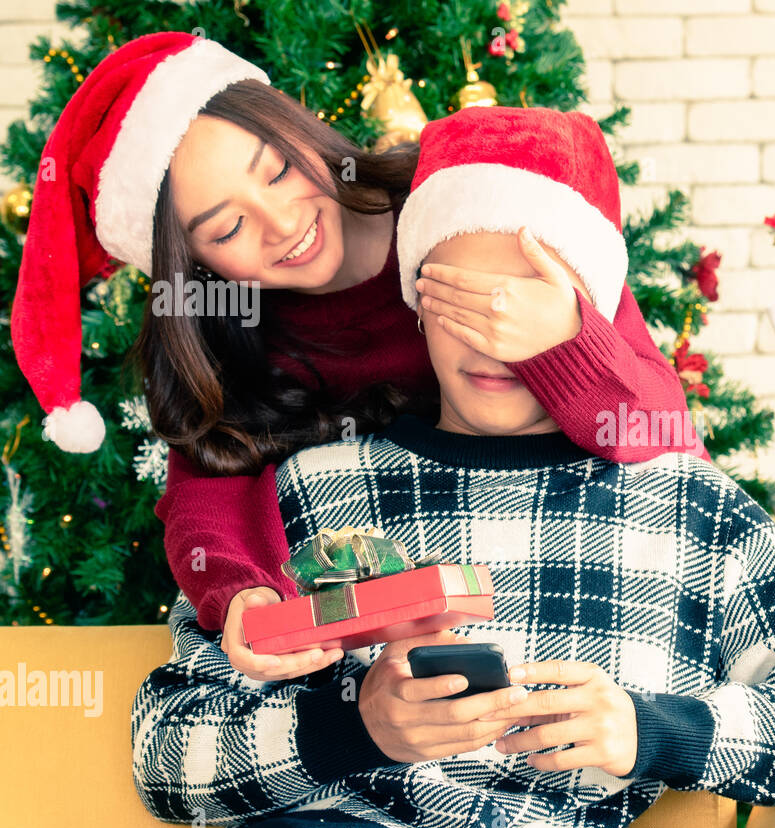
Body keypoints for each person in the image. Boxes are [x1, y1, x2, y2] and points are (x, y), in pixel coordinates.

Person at [130, 107, 775, 828]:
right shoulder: (312, 489)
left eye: (534, 309)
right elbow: (165, 752)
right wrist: (352, 724)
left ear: (594, 317)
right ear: (414, 301)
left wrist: (649, 731)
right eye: (459, 300)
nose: (494, 338)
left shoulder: (685, 510)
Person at [8, 32, 708, 684]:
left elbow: (665, 435)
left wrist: (569, 338)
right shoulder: (235, 337)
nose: (283, 223)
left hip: (572, 585)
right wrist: (242, 590)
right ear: (195, 264)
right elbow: (205, 492)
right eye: (227, 227)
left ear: (299, 125)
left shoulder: (470, 199)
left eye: (279, 170)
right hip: (397, 661)